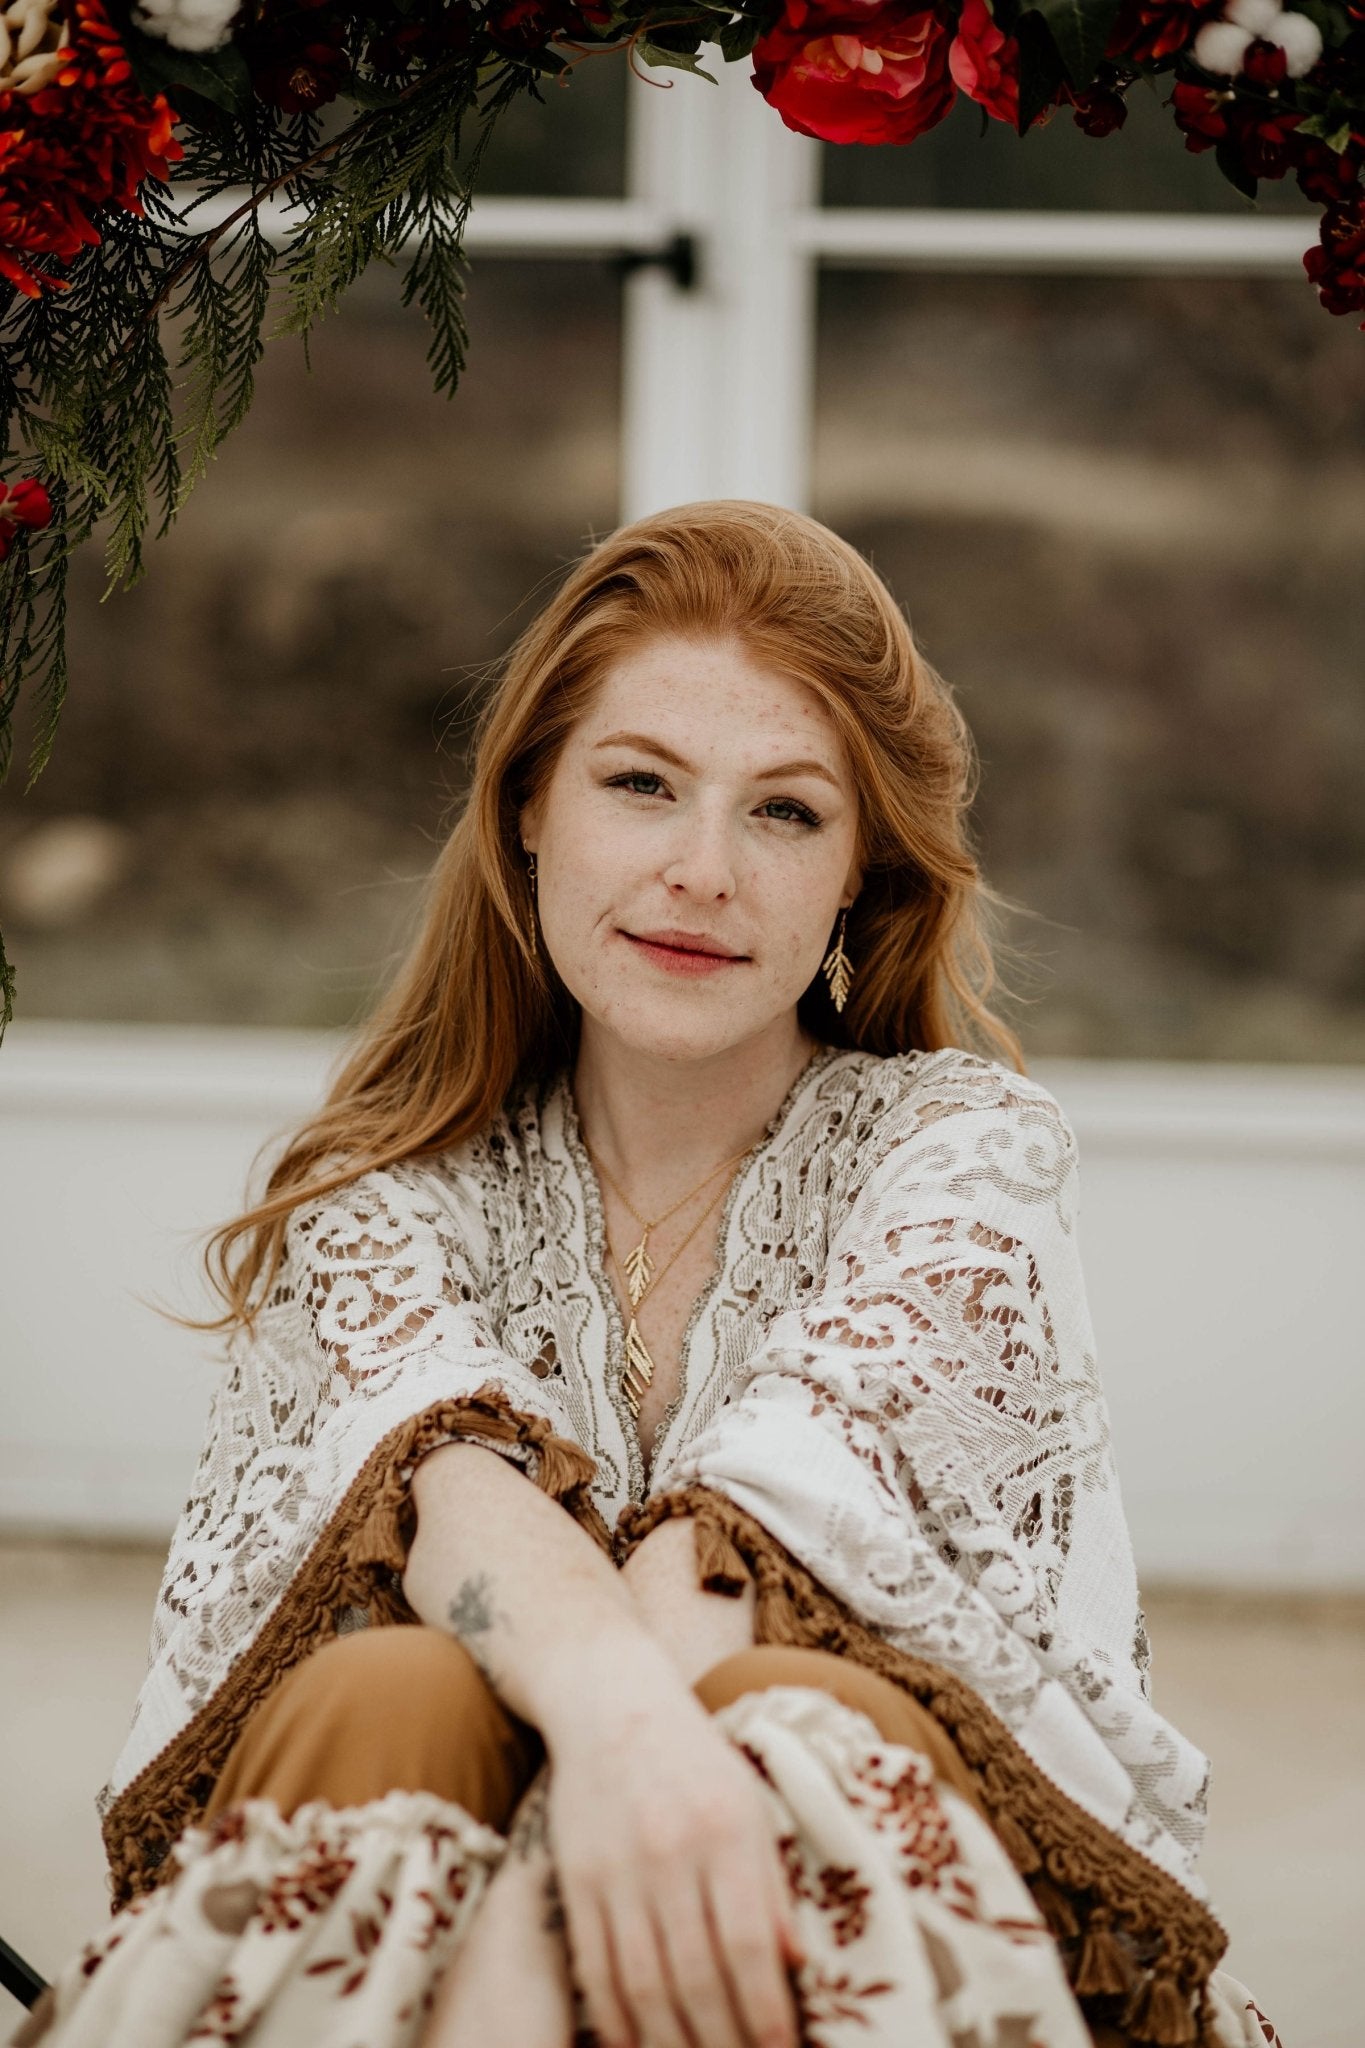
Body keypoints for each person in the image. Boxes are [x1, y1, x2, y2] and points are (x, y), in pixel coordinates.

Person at [13, 501, 1280, 2048]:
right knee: (392, 1693)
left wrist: (519, 1953)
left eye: (784, 813)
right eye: (640, 784)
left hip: (807, 1945)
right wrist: (610, 1747)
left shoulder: (956, 1155)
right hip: (434, 1882)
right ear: (531, 807)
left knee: (792, 1720)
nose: (701, 872)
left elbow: (771, 1528)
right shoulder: (387, 1193)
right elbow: (448, 1496)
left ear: (860, 875)